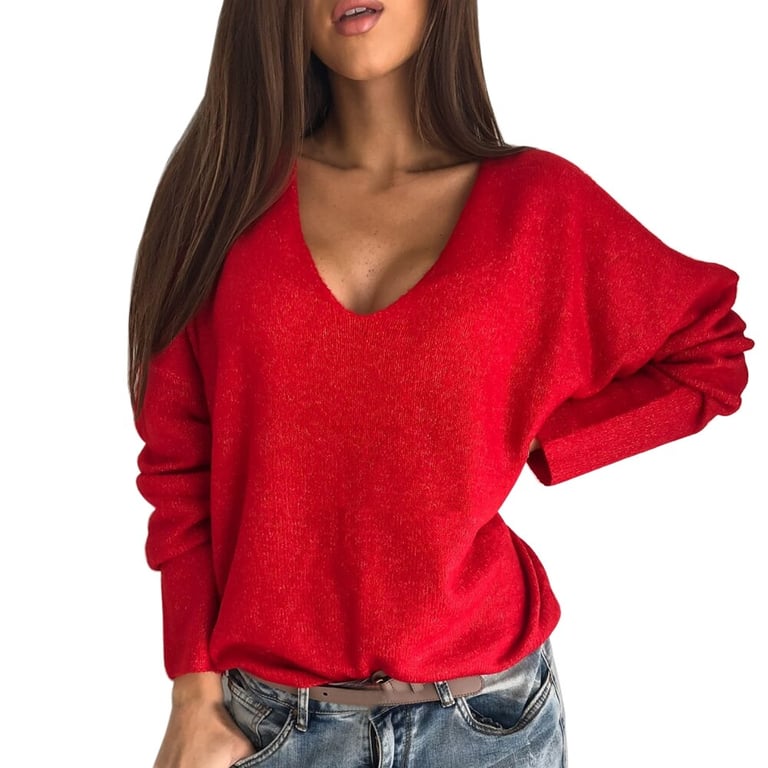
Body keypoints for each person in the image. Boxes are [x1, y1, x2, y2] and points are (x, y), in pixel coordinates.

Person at [128, 1, 753, 767]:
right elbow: (179, 466)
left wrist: (535, 439)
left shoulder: (537, 205)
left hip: (488, 722)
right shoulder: (223, 198)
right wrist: (191, 696)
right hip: (267, 729)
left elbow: (710, 353)